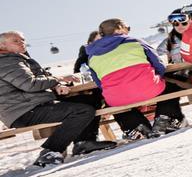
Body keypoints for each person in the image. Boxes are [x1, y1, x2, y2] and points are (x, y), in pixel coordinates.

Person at [0, 30, 117, 166]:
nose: (22, 43)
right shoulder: (6, 61)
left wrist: (57, 84)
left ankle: (84, 143)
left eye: (23, 40)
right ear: (2, 45)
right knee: (82, 111)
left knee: (89, 99)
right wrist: (56, 80)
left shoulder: (18, 58)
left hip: (35, 104)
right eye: (16, 41)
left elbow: (40, 78)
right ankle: (51, 151)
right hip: (22, 111)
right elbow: (30, 84)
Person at [77, 20, 186, 138]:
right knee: (171, 86)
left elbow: (99, 83)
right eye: (127, 28)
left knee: (114, 102)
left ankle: (135, 127)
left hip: (116, 98)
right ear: (119, 29)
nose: (128, 31)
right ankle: (166, 120)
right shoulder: (134, 42)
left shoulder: (92, 56)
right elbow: (159, 64)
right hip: (148, 88)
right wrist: (156, 77)